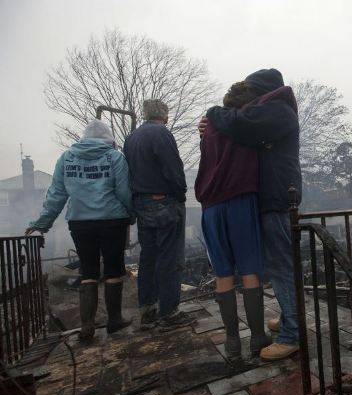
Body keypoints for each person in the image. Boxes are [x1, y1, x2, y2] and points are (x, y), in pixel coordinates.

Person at [200, 68, 301, 361]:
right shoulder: (270, 113)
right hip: (272, 199)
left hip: (277, 200)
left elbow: (242, 122)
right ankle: (289, 317)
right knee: (281, 266)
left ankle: (291, 335)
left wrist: (213, 114)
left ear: (260, 92)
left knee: (281, 269)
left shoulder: (279, 112)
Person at [26, 120, 134, 341]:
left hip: (80, 223)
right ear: (108, 138)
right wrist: (131, 214)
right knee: (114, 269)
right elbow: (124, 190)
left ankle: (87, 326)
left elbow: (56, 194)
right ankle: (114, 320)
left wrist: (42, 223)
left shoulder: (66, 158)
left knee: (88, 271)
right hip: (112, 220)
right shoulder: (115, 157)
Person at [195, 81, 271, 358]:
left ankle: (232, 341)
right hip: (240, 199)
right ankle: (257, 337)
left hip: (211, 206)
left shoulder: (209, 128)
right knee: (250, 269)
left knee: (223, 273)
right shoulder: (246, 125)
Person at [123, 99, 193, 332]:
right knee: (169, 259)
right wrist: (181, 194)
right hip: (163, 203)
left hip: (141, 204)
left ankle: (147, 311)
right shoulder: (161, 134)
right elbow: (173, 169)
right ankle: (169, 313)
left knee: (148, 258)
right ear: (164, 115)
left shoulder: (131, 138)